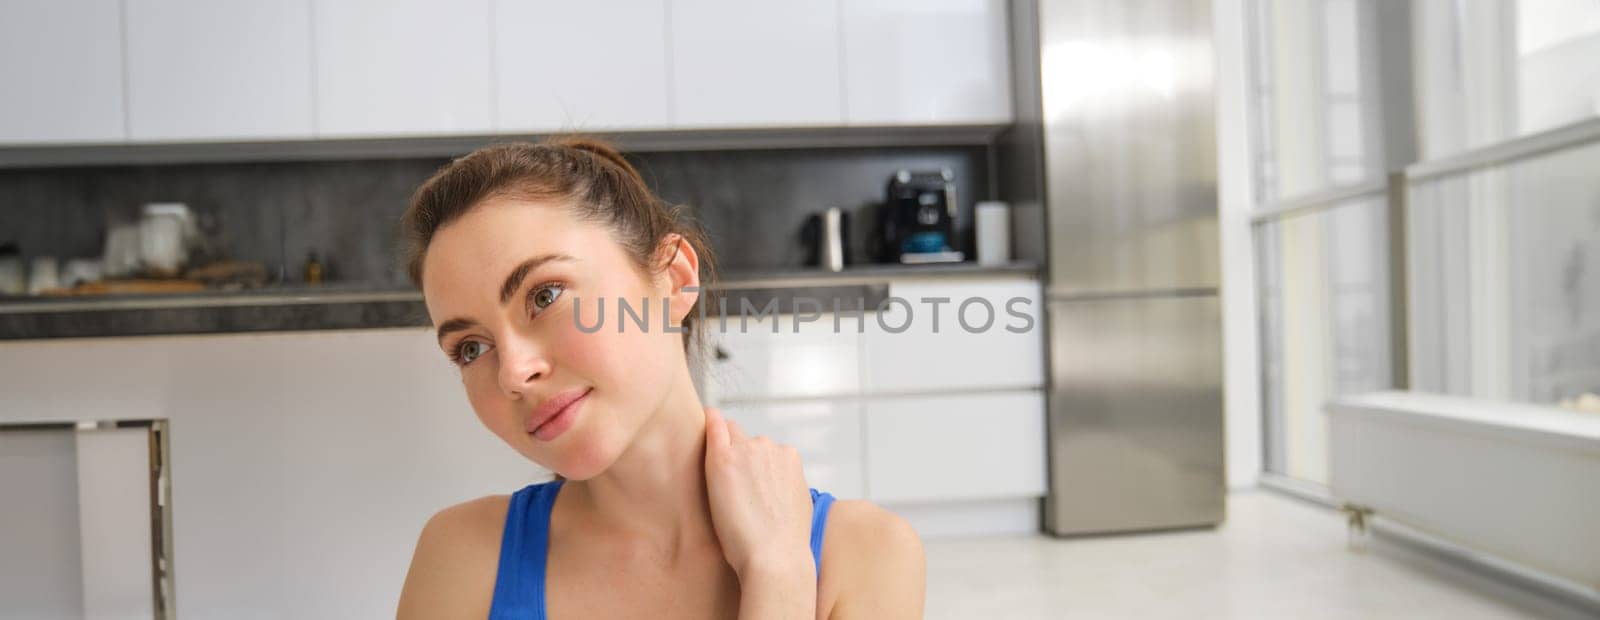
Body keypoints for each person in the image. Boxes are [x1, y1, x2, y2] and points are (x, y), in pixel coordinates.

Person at [394, 138, 925, 619]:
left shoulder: (866, 556)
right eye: (471, 348)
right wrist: (777, 582)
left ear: (674, 279)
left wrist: (780, 567)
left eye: (545, 295)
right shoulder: (462, 559)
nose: (513, 372)